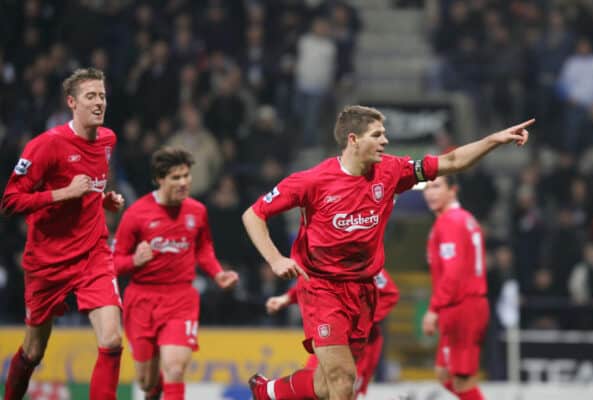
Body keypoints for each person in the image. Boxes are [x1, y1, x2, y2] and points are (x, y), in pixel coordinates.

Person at [242, 105, 532, 400]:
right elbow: (253, 215)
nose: (385, 141)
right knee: (343, 381)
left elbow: (453, 160)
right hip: (322, 289)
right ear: (353, 140)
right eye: (377, 135)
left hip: (364, 290)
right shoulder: (311, 182)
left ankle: (269, 392)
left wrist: (494, 140)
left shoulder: (392, 171)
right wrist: (276, 259)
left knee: (326, 384)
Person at [1, 68, 124, 400]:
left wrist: (103, 199)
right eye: (90, 96)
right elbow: (10, 201)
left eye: (102, 95)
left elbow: (88, 187)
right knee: (33, 351)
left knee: (112, 340)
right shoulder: (46, 146)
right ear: (72, 102)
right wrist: (61, 194)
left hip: (92, 253)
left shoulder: (108, 141)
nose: (99, 102)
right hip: (47, 261)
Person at [113, 147, 239, 400]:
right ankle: (154, 387)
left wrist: (217, 274)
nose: (184, 183)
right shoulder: (136, 214)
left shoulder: (197, 211)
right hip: (142, 300)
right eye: (176, 177)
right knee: (146, 382)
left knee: (174, 367)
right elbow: (113, 262)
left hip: (181, 298)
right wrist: (134, 261)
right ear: (159, 179)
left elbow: (203, 248)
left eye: (186, 176)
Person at [265, 268, 399, 399]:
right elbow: (310, 281)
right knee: (315, 387)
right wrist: (287, 297)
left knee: (343, 389)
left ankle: (269, 391)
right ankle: (269, 391)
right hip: (331, 334)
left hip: (361, 343)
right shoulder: (320, 258)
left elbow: (390, 294)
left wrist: (362, 320)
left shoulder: (363, 263)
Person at [422, 175, 489, 400]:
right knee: (444, 373)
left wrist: (433, 309)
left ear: (453, 190)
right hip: (464, 304)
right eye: (427, 187)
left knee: (462, 380)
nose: (431, 192)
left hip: (463, 306)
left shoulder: (449, 222)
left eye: (437, 186)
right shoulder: (464, 218)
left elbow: (453, 273)